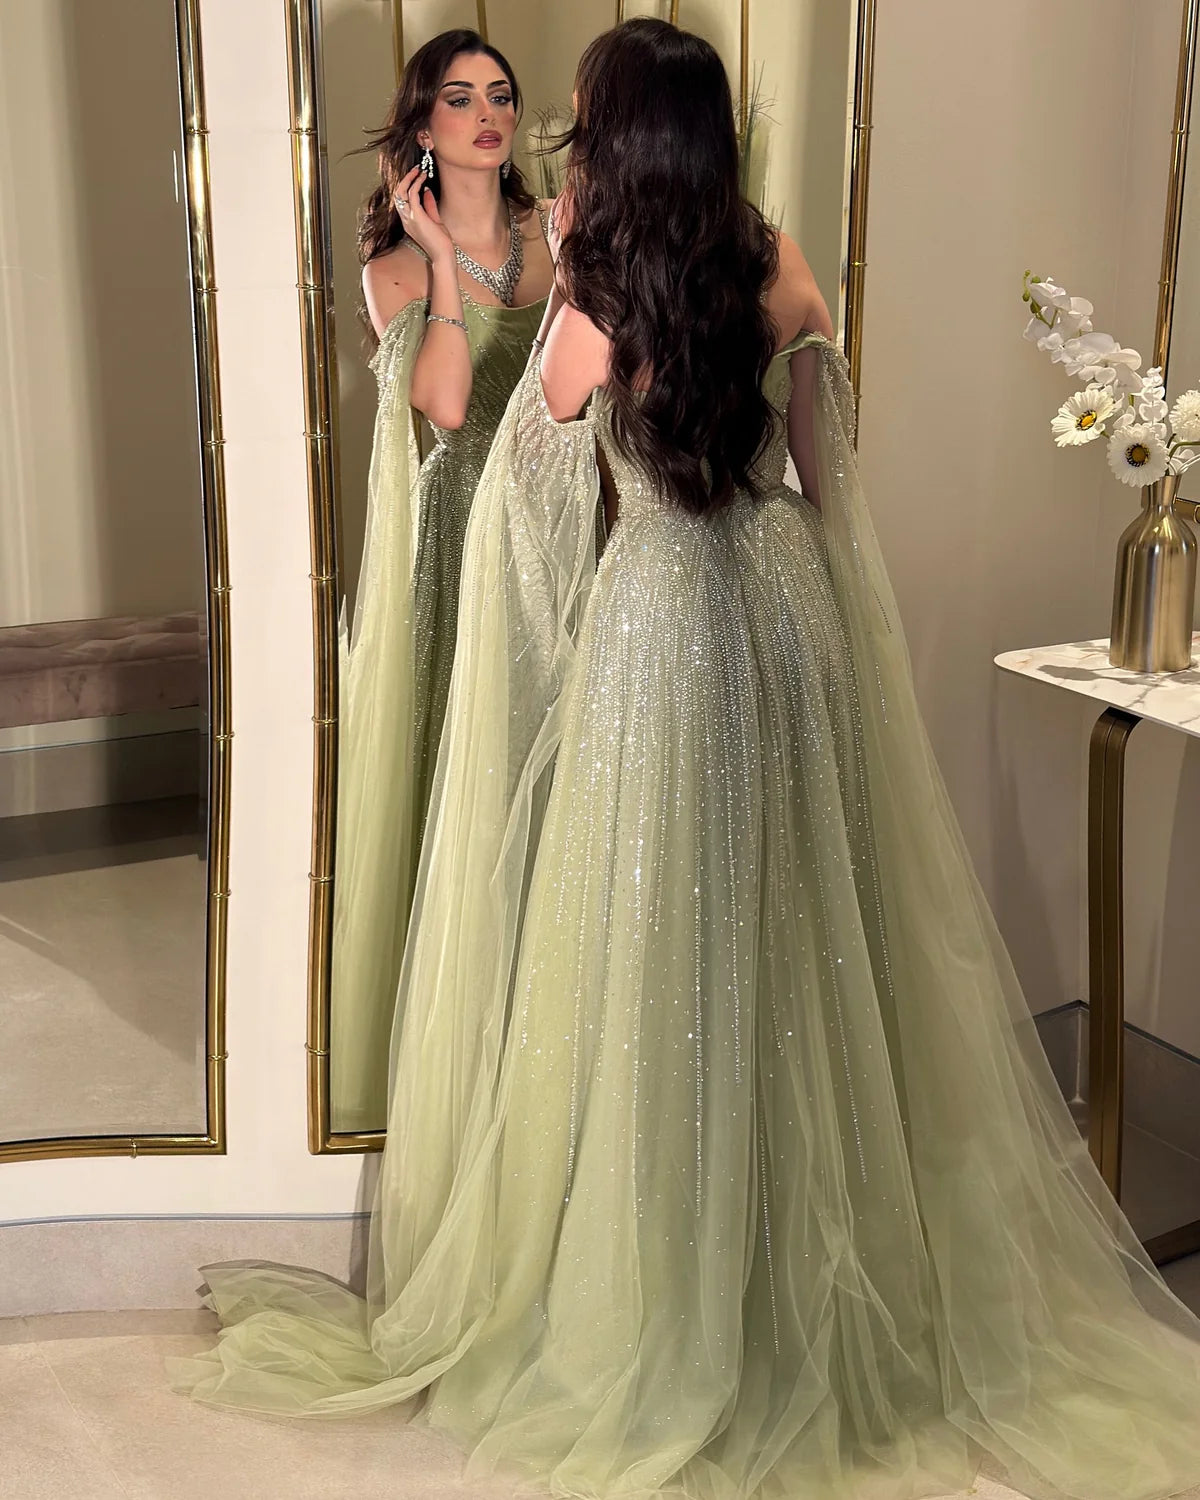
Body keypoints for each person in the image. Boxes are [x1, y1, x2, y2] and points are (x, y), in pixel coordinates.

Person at [176, 20, 1200, 1500]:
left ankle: (673, 1289)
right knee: (797, 938)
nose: (561, 140)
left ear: (624, 138)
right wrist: (835, 640)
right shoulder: (779, 262)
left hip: (661, 619)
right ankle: (804, 1268)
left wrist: (561, 301)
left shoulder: (596, 280)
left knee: (662, 950)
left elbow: (536, 451)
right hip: (788, 611)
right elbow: (831, 487)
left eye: (581, 120)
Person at [330, 28, 554, 1132]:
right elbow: (452, 407)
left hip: (570, 530)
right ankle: (467, 1060)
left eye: (500, 95)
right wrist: (436, 255)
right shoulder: (392, 272)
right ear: (421, 126)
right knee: (472, 780)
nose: (488, 114)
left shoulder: (564, 235)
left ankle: (551, 1041)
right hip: (462, 543)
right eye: (459, 98)